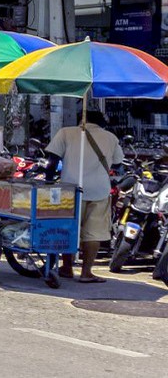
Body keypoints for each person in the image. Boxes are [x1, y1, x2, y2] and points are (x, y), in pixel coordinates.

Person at [45, 109, 125, 283]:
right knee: (94, 233)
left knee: (69, 228)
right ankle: (86, 272)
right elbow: (118, 163)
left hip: (71, 189)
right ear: (101, 122)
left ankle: (66, 267)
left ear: (81, 119)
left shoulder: (66, 132)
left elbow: (52, 161)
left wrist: (49, 181)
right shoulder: (110, 137)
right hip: (100, 190)